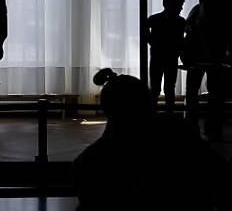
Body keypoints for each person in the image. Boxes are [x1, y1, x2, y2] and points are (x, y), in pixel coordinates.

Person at [73, 68, 224, 210]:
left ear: (107, 110)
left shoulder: (95, 158)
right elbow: (217, 170)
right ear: (146, 101)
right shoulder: (179, 133)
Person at [146, 0, 185, 115]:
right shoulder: (180, 21)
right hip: (171, 57)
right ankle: (169, 114)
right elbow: (181, 40)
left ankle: (151, 114)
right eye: (179, 5)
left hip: (157, 56)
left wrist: (153, 42)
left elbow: (145, 31)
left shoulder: (154, 19)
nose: (181, 8)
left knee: (155, 87)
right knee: (169, 87)